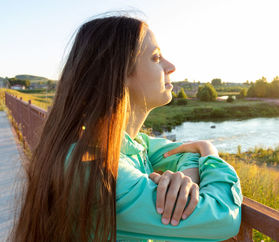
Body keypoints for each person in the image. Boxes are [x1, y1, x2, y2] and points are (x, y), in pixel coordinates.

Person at [12, 15, 242, 242]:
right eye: (155, 58)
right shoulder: (96, 171)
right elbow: (222, 218)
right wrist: (210, 155)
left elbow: (186, 152)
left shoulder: (132, 144)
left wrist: (188, 174)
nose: (171, 66)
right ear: (118, 74)